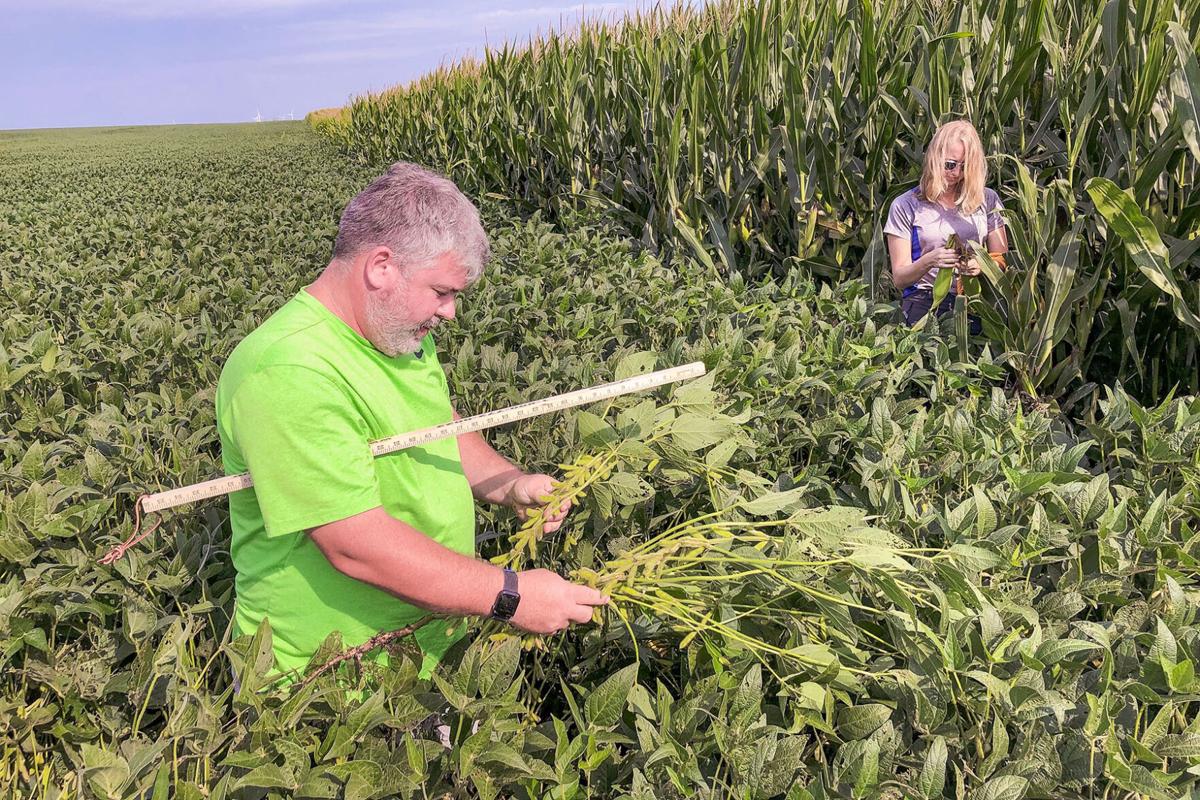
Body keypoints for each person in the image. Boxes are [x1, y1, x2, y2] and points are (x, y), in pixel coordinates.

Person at [215, 161, 609, 684]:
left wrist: (509, 484)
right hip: (327, 684)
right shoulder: (287, 370)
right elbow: (355, 545)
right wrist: (511, 594)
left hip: (424, 650)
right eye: (441, 291)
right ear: (382, 266)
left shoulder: (396, 332)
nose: (449, 313)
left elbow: (439, 427)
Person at [884, 119, 1008, 326]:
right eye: (950, 165)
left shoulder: (988, 199)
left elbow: (1001, 260)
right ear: (934, 158)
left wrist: (982, 265)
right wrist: (930, 260)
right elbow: (900, 278)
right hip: (923, 301)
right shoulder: (905, 205)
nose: (956, 174)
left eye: (965, 166)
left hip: (975, 301)